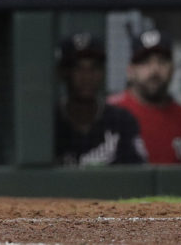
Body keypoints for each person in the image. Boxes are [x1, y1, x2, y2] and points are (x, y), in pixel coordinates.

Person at [108, 30, 181, 164]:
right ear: (130, 71)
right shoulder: (110, 114)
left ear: (172, 69)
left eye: (162, 61)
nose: (154, 70)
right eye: (145, 62)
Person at [55, 33, 146, 167]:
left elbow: (139, 176)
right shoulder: (51, 123)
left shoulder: (121, 121)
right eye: (78, 68)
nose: (87, 77)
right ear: (63, 72)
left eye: (94, 68)